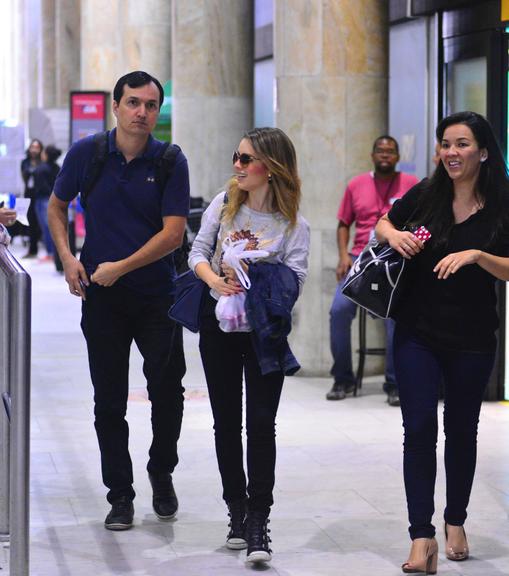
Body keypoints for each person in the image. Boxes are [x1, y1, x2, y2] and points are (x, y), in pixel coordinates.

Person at [48, 71, 190, 531]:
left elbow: (173, 233)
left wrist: (121, 267)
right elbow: (56, 205)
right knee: (109, 401)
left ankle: (161, 470)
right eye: (133, 103)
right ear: (115, 106)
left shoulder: (170, 159)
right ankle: (120, 495)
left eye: (151, 105)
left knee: (167, 392)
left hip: (157, 298)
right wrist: (68, 257)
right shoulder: (88, 153)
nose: (142, 113)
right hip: (102, 301)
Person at [375, 111, 509, 574]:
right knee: (417, 431)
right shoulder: (427, 194)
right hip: (417, 331)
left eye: (462, 144)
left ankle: (456, 521)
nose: (451, 152)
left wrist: (477, 255)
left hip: (473, 337)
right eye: (445, 144)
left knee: (461, 433)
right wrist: (397, 236)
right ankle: (420, 536)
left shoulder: (501, 202)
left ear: (484, 151)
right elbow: (383, 224)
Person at [188, 127, 310, 563]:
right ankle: (236, 512)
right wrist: (215, 280)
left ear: (271, 168)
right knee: (225, 422)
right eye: (236, 157)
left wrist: (257, 277)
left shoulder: (294, 223)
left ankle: (260, 520)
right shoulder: (223, 207)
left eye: (246, 160)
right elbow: (196, 253)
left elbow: (296, 279)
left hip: (264, 332)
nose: (237, 166)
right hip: (217, 323)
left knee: (261, 424)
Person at [327, 136, 418, 406]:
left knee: (396, 315)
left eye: (391, 151)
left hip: (395, 260)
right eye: (380, 150)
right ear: (372, 154)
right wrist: (343, 256)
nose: (385, 155)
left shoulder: (411, 184)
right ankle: (342, 378)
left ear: (398, 156)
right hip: (361, 260)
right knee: (339, 311)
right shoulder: (356, 185)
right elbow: (343, 224)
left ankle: (394, 381)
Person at [34, 144, 61, 261]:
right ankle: (54, 252)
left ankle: (50, 253)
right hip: (55, 200)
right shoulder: (57, 167)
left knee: (46, 228)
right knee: (54, 226)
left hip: (43, 200)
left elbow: (41, 186)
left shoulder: (41, 169)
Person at [20, 139, 43, 257]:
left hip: (40, 194)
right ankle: (32, 249)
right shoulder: (25, 162)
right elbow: (24, 176)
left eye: (37, 147)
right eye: (32, 147)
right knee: (30, 221)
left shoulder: (42, 161)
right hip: (29, 193)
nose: (34, 149)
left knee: (41, 221)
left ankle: (43, 247)